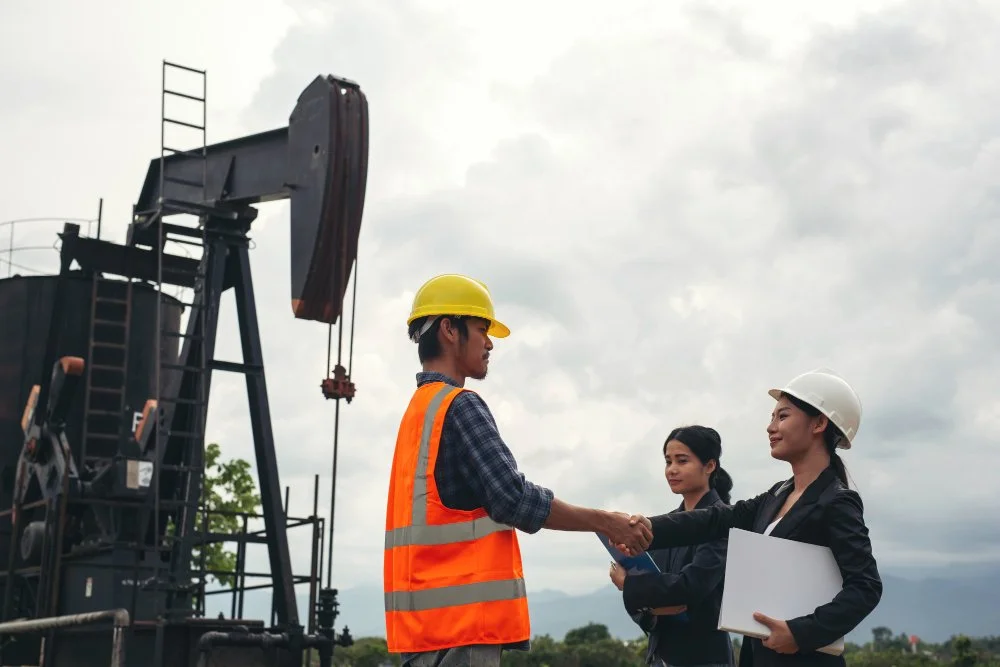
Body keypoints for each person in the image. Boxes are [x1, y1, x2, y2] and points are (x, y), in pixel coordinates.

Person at [383, 273, 652, 667]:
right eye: (480, 329)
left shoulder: (417, 414)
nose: (490, 343)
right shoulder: (459, 406)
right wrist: (605, 522)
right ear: (448, 329)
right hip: (461, 630)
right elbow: (513, 498)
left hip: (421, 634)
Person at [624, 369, 882, 667]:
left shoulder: (837, 501)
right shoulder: (777, 495)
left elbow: (865, 586)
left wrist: (801, 633)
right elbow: (714, 521)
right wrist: (643, 527)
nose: (770, 427)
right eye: (772, 417)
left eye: (782, 416)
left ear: (820, 423)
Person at [610, 425, 736, 667]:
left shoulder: (723, 522)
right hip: (661, 656)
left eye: (682, 461)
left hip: (705, 657)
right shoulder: (665, 526)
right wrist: (651, 606)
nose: (672, 470)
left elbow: (691, 587)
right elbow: (648, 593)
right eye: (668, 462)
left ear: (709, 466)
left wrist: (629, 584)